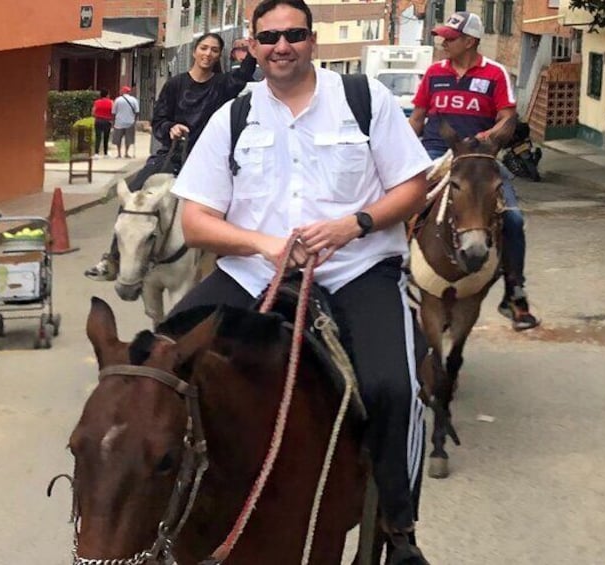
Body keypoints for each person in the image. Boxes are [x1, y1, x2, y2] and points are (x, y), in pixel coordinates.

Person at [170, 1, 433, 562]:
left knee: (394, 387)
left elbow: (414, 186)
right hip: (253, 271)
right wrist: (266, 245)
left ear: (312, 41)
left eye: (293, 35)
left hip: (356, 267)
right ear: (252, 45)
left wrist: (353, 224)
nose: (280, 46)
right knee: (160, 358)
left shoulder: (364, 100)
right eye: (269, 38)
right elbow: (196, 222)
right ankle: (163, 511)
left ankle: (399, 526)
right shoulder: (233, 117)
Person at [85, 32, 257, 280]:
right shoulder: (175, 84)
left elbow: (243, 75)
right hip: (172, 156)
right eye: (204, 48)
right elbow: (159, 121)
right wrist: (171, 128)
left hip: (208, 161)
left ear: (220, 55)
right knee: (132, 196)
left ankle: (234, 263)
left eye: (214, 50)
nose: (208, 54)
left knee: (234, 201)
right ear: (195, 50)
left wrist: (252, 49)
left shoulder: (222, 85)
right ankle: (112, 258)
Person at [408, 11, 540, 331]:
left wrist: (486, 138)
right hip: (436, 154)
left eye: (450, 39)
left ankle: (514, 294)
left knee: (512, 218)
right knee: (402, 206)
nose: (442, 43)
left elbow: (507, 119)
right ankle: (392, 275)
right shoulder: (434, 73)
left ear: (470, 41)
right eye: (442, 37)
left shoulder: (494, 74)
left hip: (479, 159)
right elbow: (418, 118)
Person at [111, 85, 139, 158]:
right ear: (129, 92)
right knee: (129, 138)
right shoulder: (134, 100)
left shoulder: (118, 100)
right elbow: (137, 112)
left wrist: (113, 122)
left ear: (122, 92)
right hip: (130, 122)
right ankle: (126, 153)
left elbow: (113, 112)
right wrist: (134, 120)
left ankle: (119, 153)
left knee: (118, 139)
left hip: (119, 122)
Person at [91, 88, 113, 158]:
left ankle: (96, 153)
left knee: (98, 137)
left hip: (98, 121)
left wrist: (97, 116)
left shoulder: (97, 102)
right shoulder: (111, 102)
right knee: (106, 137)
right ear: (107, 95)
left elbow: (93, 112)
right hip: (107, 121)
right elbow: (113, 112)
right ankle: (105, 153)